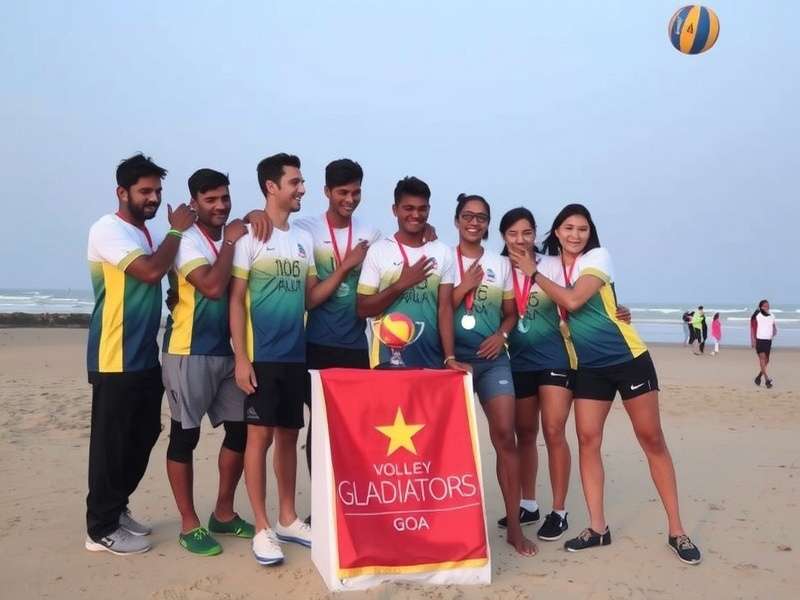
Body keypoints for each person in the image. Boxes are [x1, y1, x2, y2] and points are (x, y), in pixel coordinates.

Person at [511, 203, 702, 565]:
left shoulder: (598, 257)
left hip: (628, 359)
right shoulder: (551, 265)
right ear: (556, 231)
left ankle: (677, 531)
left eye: (582, 228)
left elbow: (572, 299)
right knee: (588, 441)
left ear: (590, 233)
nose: (575, 235)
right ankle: (598, 528)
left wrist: (534, 273)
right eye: (568, 228)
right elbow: (516, 254)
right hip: (589, 367)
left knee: (651, 439)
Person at [230, 153, 353, 566]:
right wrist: (242, 358)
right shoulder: (250, 235)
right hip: (261, 357)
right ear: (272, 187)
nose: (302, 189)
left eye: (301, 182)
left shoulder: (301, 238)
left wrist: (344, 270)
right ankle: (262, 527)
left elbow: (311, 297)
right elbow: (236, 300)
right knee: (259, 438)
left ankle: (287, 518)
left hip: (295, 355)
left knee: (287, 436)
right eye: (295, 182)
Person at [500, 207, 631, 543]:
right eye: (513, 233)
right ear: (503, 236)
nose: (520, 239)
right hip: (518, 361)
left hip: (557, 358)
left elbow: (588, 294)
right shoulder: (497, 268)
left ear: (536, 233)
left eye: (527, 232)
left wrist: (619, 310)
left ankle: (559, 511)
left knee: (554, 431)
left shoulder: (553, 264)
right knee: (524, 433)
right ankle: (528, 504)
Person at [85, 154, 194, 555]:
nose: (153, 198)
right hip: (113, 355)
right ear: (122, 192)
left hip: (145, 355)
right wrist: (177, 230)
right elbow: (149, 271)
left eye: (157, 191)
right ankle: (100, 529)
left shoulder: (147, 233)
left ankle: (116, 507)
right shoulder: (107, 229)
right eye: (145, 191)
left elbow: (157, 278)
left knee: (145, 433)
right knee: (111, 443)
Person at [161, 169, 254, 555]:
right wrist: (231, 240)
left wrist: (250, 221)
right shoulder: (186, 241)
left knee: (241, 432)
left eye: (224, 198)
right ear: (194, 203)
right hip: (187, 351)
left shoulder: (233, 236)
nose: (220, 206)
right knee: (185, 436)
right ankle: (189, 524)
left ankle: (224, 513)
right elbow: (213, 287)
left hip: (228, 353)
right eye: (211, 199)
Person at [446, 194, 535, 556]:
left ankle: (513, 526)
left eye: (481, 217)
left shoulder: (500, 264)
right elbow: (438, 309)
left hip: (493, 361)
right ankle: (450, 522)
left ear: (487, 224)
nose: (474, 222)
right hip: (452, 361)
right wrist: (463, 288)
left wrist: (501, 335)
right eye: (468, 216)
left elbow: (510, 313)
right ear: (457, 220)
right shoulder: (443, 258)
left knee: (504, 436)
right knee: (450, 443)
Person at [292, 159, 380, 484]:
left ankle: (349, 496)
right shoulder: (305, 229)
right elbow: (311, 300)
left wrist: (426, 235)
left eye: (356, 192)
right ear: (327, 191)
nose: (350, 199)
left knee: (353, 427)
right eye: (342, 192)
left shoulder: (371, 234)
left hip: (356, 346)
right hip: (316, 344)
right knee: (321, 424)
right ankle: (322, 498)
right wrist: (346, 266)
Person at [357, 176, 467, 371]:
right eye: (408, 208)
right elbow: (363, 309)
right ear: (395, 209)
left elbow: (444, 309)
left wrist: (449, 357)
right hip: (386, 357)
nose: (416, 214)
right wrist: (401, 284)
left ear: (429, 210)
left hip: (431, 357)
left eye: (422, 208)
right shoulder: (379, 250)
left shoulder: (442, 252)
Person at [751, 299, 777, 388]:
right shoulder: (757, 315)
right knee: (762, 359)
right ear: (761, 307)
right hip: (760, 340)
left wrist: (775, 329)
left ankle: (758, 377)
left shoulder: (772, 315)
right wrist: (753, 340)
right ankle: (767, 380)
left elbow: (773, 325)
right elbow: (752, 327)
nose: (767, 307)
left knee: (767, 361)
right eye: (765, 305)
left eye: (768, 305)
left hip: (768, 341)